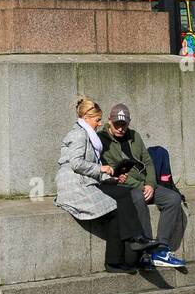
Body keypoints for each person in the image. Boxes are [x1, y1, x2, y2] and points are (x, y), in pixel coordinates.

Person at [55, 97, 163, 274]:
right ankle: (119, 256)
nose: (98, 124)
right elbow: (75, 164)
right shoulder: (78, 134)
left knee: (123, 193)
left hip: (87, 181)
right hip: (75, 187)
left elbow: (89, 169)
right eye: (97, 120)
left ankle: (131, 245)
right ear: (86, 117)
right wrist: (101, 168)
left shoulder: (87, 134)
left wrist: (111, 178)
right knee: (115, 208)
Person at [98, 103, 186, 270]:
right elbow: (115, 173)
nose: (120, 128)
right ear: (109, 120)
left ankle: (161, 248)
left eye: (123, 124)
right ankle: (146, 251)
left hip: (145, 184)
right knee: (138, 198)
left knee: (173, 199)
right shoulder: (102, 139)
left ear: (129, 123)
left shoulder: (134, 136)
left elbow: (148, 162)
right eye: (116, 124)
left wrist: (150, 184)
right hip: (126, 187)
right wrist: (140, 185)